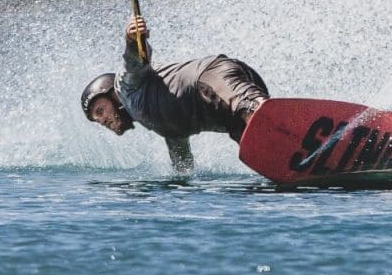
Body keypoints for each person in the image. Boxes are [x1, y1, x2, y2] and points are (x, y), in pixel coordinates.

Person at [81, 15, 269, 173]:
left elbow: (135, 62)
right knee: (261, 152)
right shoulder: (160, 122)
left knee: (250, 107)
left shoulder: (126, 87)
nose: (102, 120)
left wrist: (132, 40)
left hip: (212, 80)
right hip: (226, 109)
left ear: (112, 94)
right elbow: (182, 164)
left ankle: (262, 110)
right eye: (96, 120)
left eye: (100, 110)